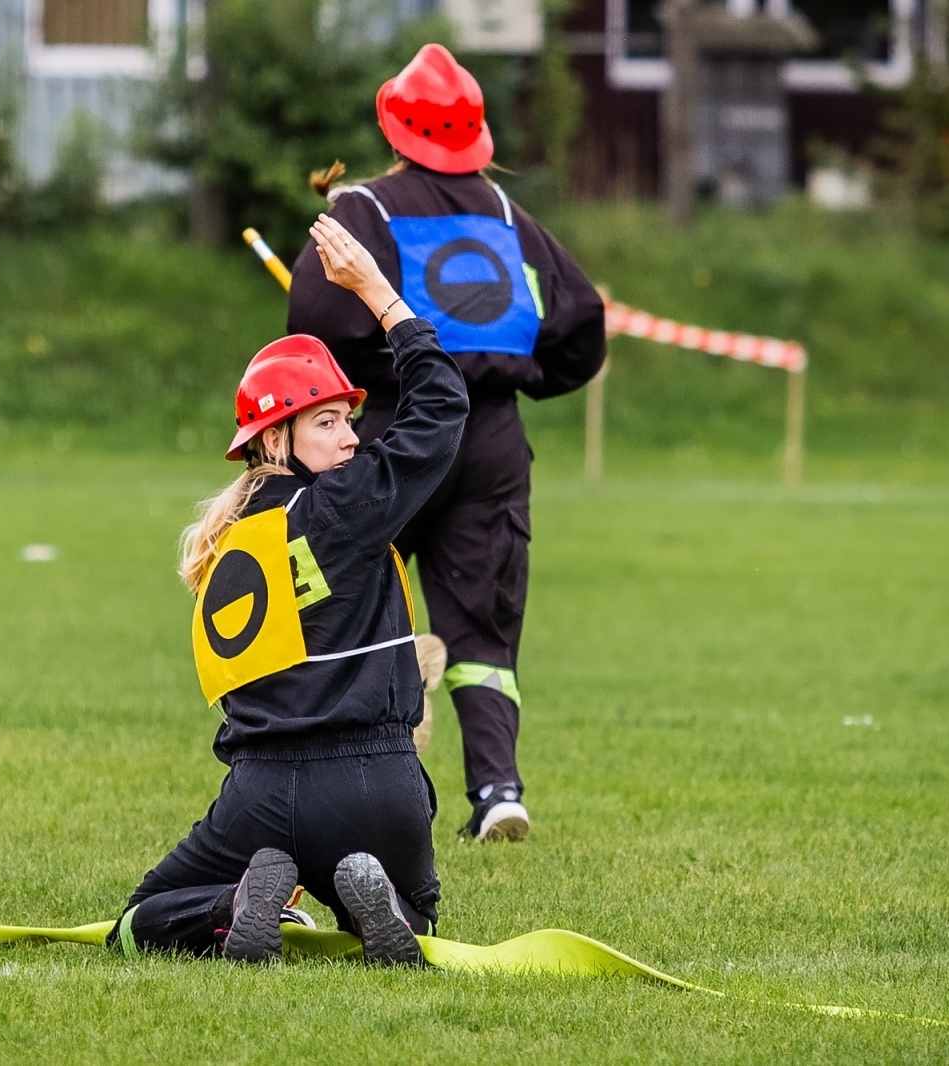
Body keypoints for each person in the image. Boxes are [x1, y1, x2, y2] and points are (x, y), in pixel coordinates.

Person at [109, 213, 469, 965]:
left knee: (140, 920)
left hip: (264, 792)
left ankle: (240, 902)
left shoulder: (223, 544)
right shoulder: (342, 507)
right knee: (422, 931)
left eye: (349, 421)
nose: (351, 438)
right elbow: (442, 408)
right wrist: (377, 291)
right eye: (329, 421)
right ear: (277, 440)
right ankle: (381, 903)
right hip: (379, 782)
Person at [287, 43, 607, 843]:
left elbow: (315, 323)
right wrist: (514, 377)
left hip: (395, 432)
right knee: (483, 627)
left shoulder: (363, 206)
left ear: (393, 124)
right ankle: (499, 790)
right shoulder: (510, 216)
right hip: (492, 435)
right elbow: (580, 332)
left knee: (353, 605)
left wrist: (366, 374)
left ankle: (348, 782)